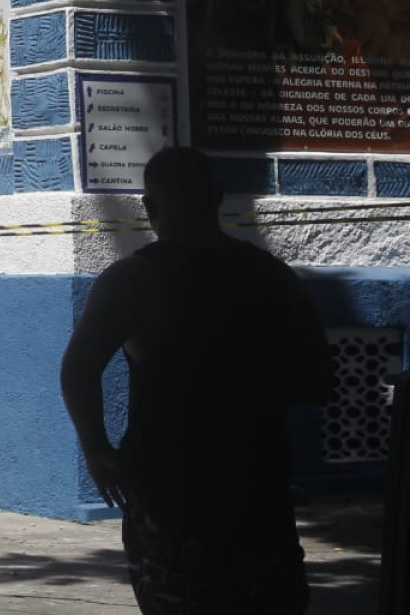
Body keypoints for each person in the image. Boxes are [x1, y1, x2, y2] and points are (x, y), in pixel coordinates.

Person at [60, 147, 335, 615]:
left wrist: (96, 449)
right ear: (217, 198)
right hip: (256, 491)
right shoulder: (272, 277)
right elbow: (318, 381)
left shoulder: (134, 280)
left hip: (171, 495)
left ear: (150, 207)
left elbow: (79, 369)